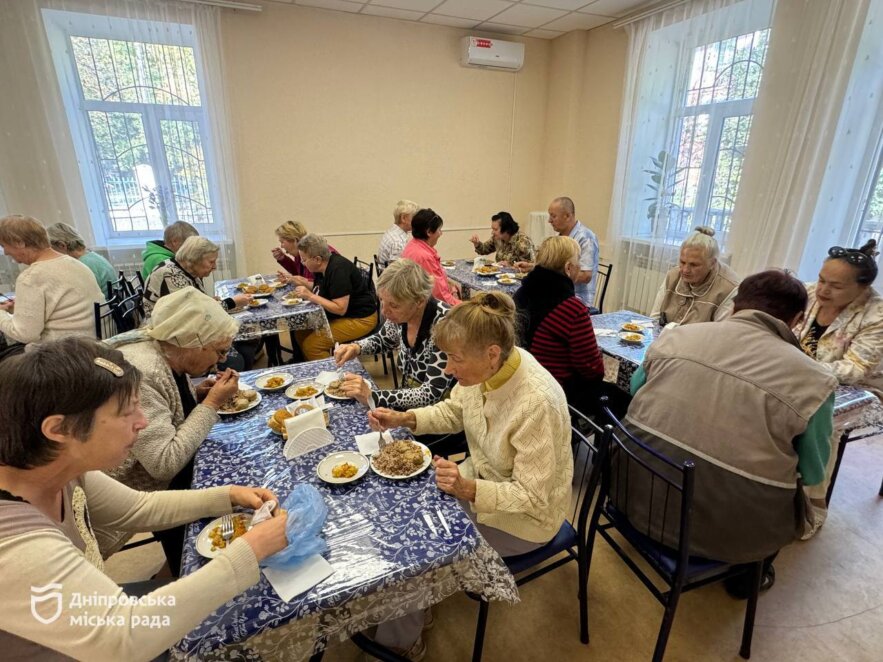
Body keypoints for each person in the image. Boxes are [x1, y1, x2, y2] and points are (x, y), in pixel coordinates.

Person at [0, 337, 288, 661]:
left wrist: (228, 495)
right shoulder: (13, 542)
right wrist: (249, 551)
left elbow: (139, 507)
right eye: (126, 412)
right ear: (59, 428)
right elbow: (126, 639)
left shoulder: (60, 471)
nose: (143, 421)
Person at [367, 292, 574, 658]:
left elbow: (532, 495)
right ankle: (411, 605)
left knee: (423, 538)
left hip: (528, 519)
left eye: (454, 359)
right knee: (412, 507)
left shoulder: (536, 402)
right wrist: (404, 418)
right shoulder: (490, 369)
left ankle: (399, 643)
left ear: (491, 353)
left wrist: (469, 488)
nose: (447, 368)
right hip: (481, 481)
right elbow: (453, 412)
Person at [624, 270, 837, 596]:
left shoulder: (675, 337)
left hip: (631, 494)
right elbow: (811, 472)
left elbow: (637, 389)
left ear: (735, 306)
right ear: (796, 320)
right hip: (728, 534)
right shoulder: (815, 381)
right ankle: (745, 579)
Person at [102, 287, 243, 572]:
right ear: (191, 342)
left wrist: (197, 396)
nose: (221, 360)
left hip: (156, 481)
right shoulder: (144, 370)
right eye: (219, 351)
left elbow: (169, 408)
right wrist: (213, 403)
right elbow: (163, 464)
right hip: (136, 491)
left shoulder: (164, 353)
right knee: (235, 482)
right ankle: (190, 565)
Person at [795, 239, 883, 537]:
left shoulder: (877, 314)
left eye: (835, 285)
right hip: (802, 375)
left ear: (863, 288)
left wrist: (794, 367)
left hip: (862, 390)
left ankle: (813, 503)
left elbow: (856, 369)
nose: (822, 290)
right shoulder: (807, 293)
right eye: (821, 279)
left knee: (822, 422)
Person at [333, 259, 455, 410]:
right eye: (382, 301)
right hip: (408, 400)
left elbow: (431, 393)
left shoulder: (446, 325)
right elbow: (384, 339)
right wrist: (357, 347)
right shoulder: (402, 315)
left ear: (420, 301)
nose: (384, 311)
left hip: (438, 413)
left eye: (394, 305)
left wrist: (374, 396)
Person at [513, 236, 605, 415]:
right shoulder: (572, 308)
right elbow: (592, 369)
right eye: (578, 261)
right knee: (618, 395)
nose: (580, 266)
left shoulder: (521, 292)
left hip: (522, 382)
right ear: (568, 268)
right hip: (553, 392)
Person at [0, 215, 103, 347]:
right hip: (93, 343)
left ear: (19, 242)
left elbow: (24, 334)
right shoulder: (75, 263)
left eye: (4, 246)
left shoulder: (31, 277)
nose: (6, 252)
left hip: (66, 354)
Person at [292, 234, 378, 361]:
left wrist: (310, 296)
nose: (302, 263)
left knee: (312, 346)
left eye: (304, 260)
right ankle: (313, 368)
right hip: (345, 315)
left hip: (361, 318)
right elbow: (321, 289)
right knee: (300, 332)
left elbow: (340, 308)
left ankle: (332, 376)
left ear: (317, 259)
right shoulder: (322, 268)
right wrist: (305, 285)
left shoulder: (338, 270)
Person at [515, 197, 600, 308]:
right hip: (557, 295)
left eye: (553, 216)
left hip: (577, 299)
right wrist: (532, 267)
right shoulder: (559, 237)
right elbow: (554, 267)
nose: (549, 220)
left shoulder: (586, 238)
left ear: (568, 216)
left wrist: (552, 277)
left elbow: (585, 276)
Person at [650, 226, 741, 325]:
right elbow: (654, 319)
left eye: (694, 265)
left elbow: (719, 335)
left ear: (712, 263)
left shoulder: (729, 289)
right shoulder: (673, 275)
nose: (685, 270)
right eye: (682, 262)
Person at [143, 236, 250, 317]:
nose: (215, 267)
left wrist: (209, 301)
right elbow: (195, 315)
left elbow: (197, 304)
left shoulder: (189, 270)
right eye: (211, 262)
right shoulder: (171, 275)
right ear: (194, 260)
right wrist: (232, 302)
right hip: (165, 332)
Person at [401, 208, 461, 306]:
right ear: (429, 232)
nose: (441, 234)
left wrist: (452, 288)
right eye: (439, 230)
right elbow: (439, 297)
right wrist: (463, 306)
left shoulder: (412, 245)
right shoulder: (424, 256)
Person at [46, 222, 117, 296]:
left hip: (103, 306)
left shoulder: (83, 265)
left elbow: (85, 298)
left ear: (62, 245)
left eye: (53, 250)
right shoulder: (92, 256)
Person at [272, 220, 338, 288]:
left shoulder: (314, 253)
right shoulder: (301, 251)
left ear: (295, 240)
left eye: (282, 242)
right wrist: (283, 259)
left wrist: (295, 279)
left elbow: (319, 286)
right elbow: (300, 274)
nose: (281, 246)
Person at [469, 211, 535, 265]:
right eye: (492, 229)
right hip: (501, 277)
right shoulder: (497, 238)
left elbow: (529, 269)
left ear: (506, 229)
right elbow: (484, 249)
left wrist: (510, 266)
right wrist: (477, 243)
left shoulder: (522, 242)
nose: (492, 232)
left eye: (495, 229)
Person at [377, 200, 419, 266]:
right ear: (403, 218)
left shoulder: (390, 232)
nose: (418, 221)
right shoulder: (398, 242)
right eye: (415, 218)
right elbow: (397, 273)